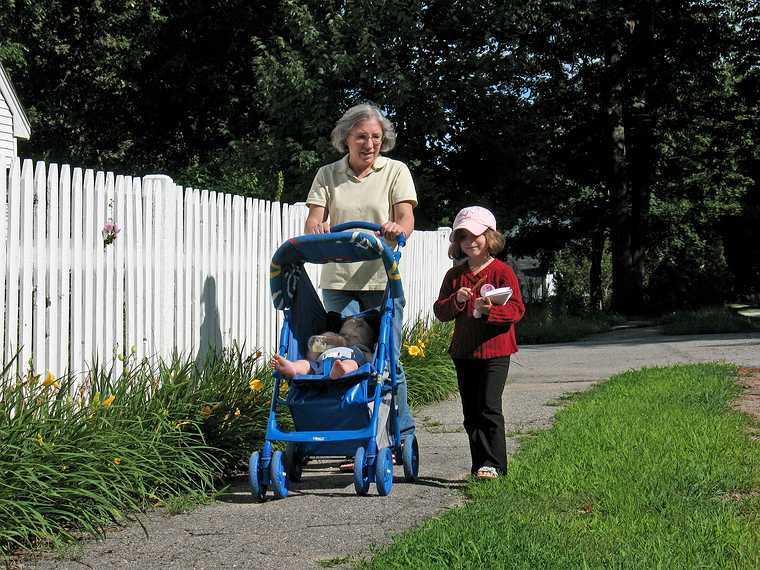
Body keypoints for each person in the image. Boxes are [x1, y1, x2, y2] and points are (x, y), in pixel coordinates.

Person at [304, 102, 417, 459]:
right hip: (338, 282)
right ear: (346, 139)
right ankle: (350, 433)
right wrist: (319, 228)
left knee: (387, 361)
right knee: (339, 353)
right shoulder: (327, 175)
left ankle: (402, 434)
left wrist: (398, 228)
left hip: (382, 282)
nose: (369, 144)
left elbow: (405, 217)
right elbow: (312, 225)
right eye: (361, 137)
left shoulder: (395, 171)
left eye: (376, 138)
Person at [433, 206, 525, 479]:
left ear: (490, 237)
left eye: (476, 235)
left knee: (488, 407)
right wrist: (456, 301)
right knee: (471, 412)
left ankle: (495, 464)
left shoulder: (502, 272)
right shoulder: (455, 276)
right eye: (463, 237)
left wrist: (490, 311)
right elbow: (440, 312)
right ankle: (480, 465)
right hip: (464, 352)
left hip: (496, 352)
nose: (470, 242)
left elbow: (517, 310)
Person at [272, 318, 375, 380]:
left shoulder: (361, 350)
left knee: (351, 364)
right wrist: (332, 339)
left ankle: (342, 371)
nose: (347, 338)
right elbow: (312, 348)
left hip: (346, 363)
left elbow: (373, 360)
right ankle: (293, 368)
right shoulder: (335, 342)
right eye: (344, 334)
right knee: (306, 364)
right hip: (321, 364)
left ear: (366, 344)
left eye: (354, 337)